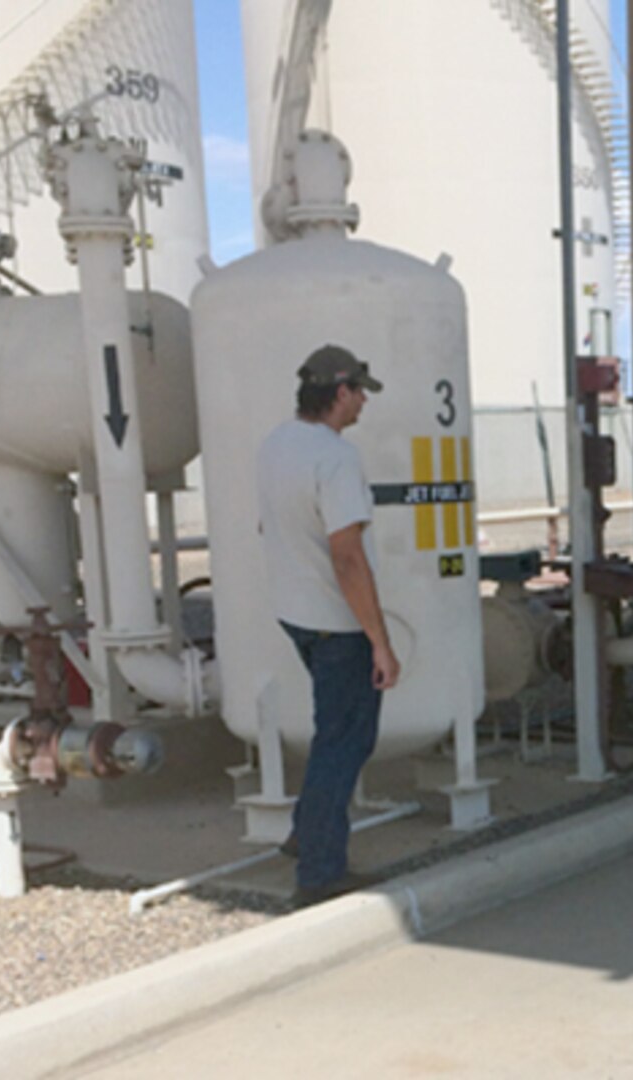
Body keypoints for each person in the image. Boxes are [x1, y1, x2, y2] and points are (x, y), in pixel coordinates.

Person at [256, 344, 401, 906]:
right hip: (336, 625)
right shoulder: (336, 458)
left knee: (331, 734)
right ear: (339, 393)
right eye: (360, 390)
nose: (364, 400)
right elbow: (347, 556)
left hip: (294, 613)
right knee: (346, 741)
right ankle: (319, 873)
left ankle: (303, 832)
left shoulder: (275, 445)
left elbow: (268, 527)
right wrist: (380, 643)